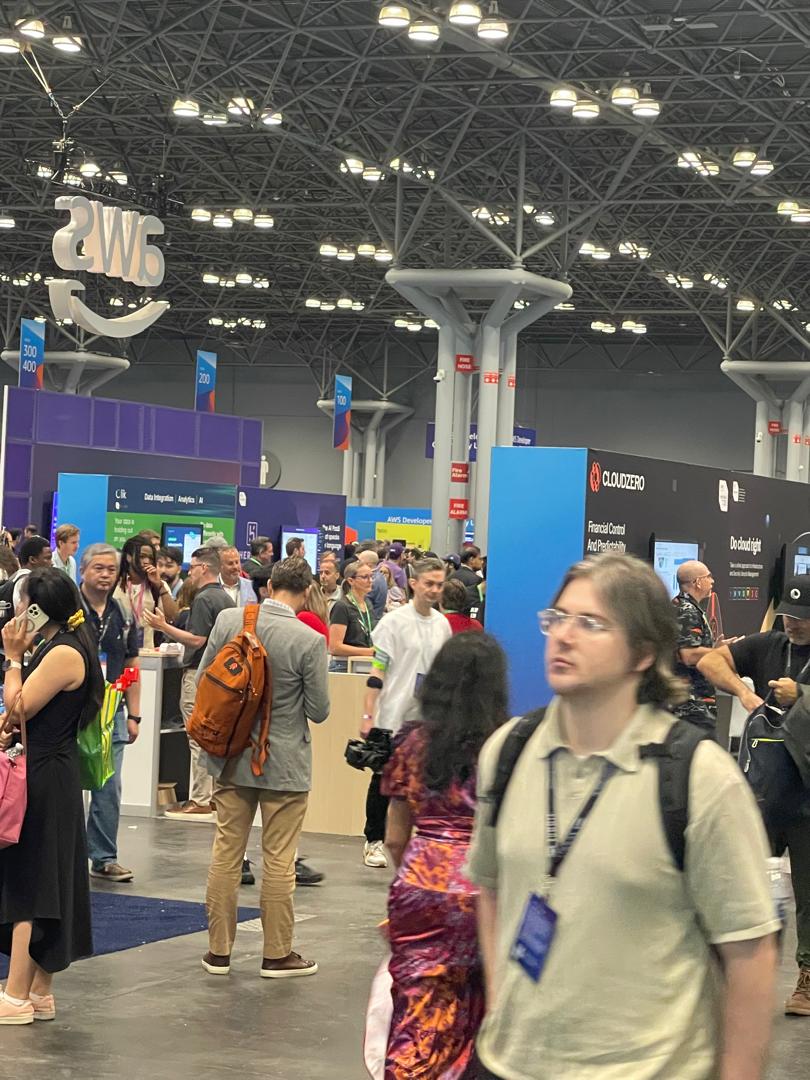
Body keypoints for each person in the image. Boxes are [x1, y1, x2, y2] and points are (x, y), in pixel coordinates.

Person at [467, 552, 780, 1080]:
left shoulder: (698, 778)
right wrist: (503, 1007)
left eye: (590, 624)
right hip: (508, 1064)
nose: (564, 635)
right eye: (558, 618)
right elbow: (492, 887)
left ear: (641, 653)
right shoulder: (508, 751)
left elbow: (750, 952)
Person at [382, 632, 508, 1079]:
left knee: (416, 1003)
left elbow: (395, 836)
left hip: (418, 880)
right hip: (480, 890)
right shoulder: (505, 747)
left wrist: (413, 880)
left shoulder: (412, 743)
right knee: (475, 1007)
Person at [199, 557, 329, 979]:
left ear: (269, 584)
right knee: (278, 858)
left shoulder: (229, 620)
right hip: (285, 764)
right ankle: (277, 954)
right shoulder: (308, 640)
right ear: (307, 590)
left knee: (226, 853)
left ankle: (218, 952)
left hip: (231, 756)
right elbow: (320, 710)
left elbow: (205, 679)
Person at [698, 575, 810, 1016]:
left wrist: (801, 693)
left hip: (807, 799)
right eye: (790, 615)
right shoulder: (769, 646)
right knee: (742, 885)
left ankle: (807, 976)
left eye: (804, 619)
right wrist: (745, 692)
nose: (795, 624)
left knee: (809, 894)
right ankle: (734, 971)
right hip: (763, 793)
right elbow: (711, 661)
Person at [0, 567, 104, 1024]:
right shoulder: (65, 645)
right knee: (47, 878)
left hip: (44, 776)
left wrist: (13, 659)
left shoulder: (62, 652)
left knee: (32, 883)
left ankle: (17, 993)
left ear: (38, 608)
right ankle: (39, 991)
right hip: (47, 768)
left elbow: (19, 706)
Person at [361, 557, 451, 869]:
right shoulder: (393, 623)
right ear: (414, 583)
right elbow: (378, 670)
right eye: (429, 583)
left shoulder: (442, 625)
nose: (434, 590)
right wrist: (368, 714)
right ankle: (373, 840)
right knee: (384, 782)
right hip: (393, 718)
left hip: (427, 721)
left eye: (439, 585)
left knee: (422, 783)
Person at [144, 547, 234, 820]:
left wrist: (164, 627)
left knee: (197, 738)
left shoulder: (204, 600)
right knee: (215, 738)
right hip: (221, 677)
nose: (189, 571)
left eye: (193, 566)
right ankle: (216, 796)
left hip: (200, 673)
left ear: (204, 568)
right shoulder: (226, 599)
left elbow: (197, 640)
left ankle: (199, 798)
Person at [79, 543, 141, 883]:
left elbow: (132, 663)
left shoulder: (123, 612)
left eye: (111, 569)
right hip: (70, 711)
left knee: (109, 786)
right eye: (98, 568)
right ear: (83, 571)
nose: (105, 575)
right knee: (67, 786)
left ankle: (103, 857)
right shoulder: (66, 607)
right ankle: (65, 856)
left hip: (111, 712)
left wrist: (135, 714)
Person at [113, 536, 179, 649]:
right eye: (142, 557)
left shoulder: (158, 585)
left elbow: (172, 617)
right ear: (129, 557)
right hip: (116, 650)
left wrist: (160, 586)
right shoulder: (114, 583)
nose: (147, 561)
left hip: (147, 652)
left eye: (150, 558)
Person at [329, 561, 376, 673]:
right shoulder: (342, 606)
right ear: (351, 581)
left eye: (371, 576)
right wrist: (370, 652)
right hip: (344, 666)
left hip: (364, 664)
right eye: (365, 577)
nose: (370, 580)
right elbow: (335, 647)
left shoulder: (367, 603)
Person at [452, 545, 485, 622]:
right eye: (479, 559)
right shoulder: (475, 580)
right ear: (471, 559)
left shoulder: (451, 576)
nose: (482, 561)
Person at [357, 547, 388, 622]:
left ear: (368, 564)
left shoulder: (371, 580)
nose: (357, 564)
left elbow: (362, 603)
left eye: (359, 561)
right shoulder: (380, 577)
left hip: (369, 621)